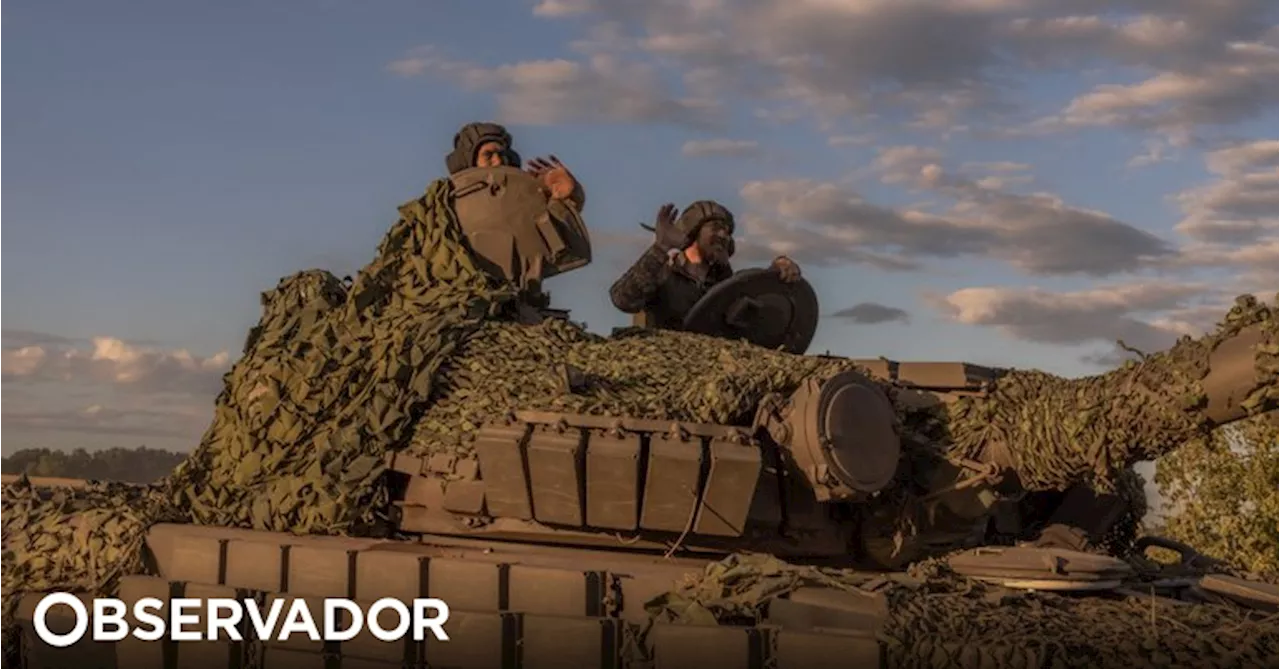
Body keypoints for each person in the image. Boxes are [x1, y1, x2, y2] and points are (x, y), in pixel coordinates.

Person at [609, 200, 801, 331]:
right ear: (692, 233)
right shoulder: (663, 272)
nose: (724, 236)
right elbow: (622, 299)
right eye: (716, 228)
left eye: (727, 232)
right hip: (665, 370)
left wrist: (778, 270)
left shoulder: (728, 285)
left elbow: (758, 296)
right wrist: (660, 248)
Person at [444, 121, 585, 212]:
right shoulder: (444, 205)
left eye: (501, 154)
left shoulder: (525, 201)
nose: (498, 161)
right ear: (469, 161)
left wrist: (569, 194)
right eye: (488, 155)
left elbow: (560, 236)